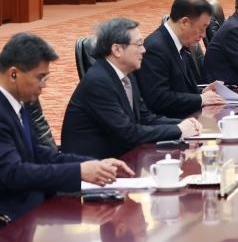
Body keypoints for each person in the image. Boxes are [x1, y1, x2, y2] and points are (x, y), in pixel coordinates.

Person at [0, 34, 134, 223]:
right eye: (40, 78)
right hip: (11, 218)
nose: (44, 86)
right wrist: (79, 172)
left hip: (33, 207)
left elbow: (36, 153)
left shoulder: (18, 103)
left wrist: (95, 164)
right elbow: (13, 173)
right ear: (13, 74)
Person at [61, 20, 200, 159]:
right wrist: (178, 130)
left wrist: (183, 123)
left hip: (120, 156)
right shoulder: (98, 82)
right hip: (93, 164)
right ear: (117, 50)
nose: (144, 50)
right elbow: (128, 133)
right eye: (139, 44)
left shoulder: (127, 74)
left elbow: (145, 118)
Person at [134, 0, 225, 118]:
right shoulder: (155, 48)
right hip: (169, 122)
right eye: (202, 28)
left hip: (187, 116)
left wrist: (202, 92)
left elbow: (179, 88)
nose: (204, 35)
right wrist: (200, 99)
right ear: (184, 22)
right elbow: (158, 99)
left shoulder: (179, 43)